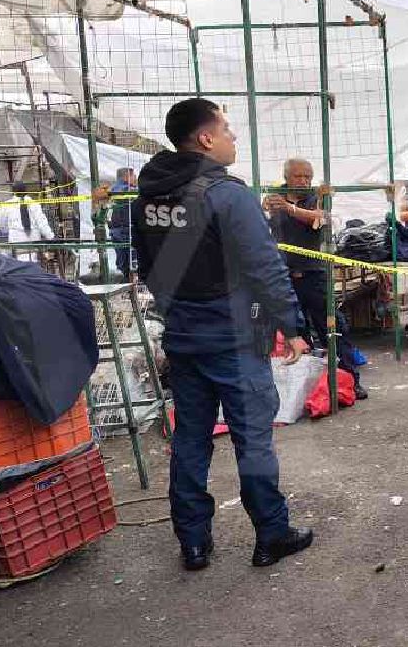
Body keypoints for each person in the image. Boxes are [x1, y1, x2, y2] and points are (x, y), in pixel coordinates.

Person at [131, 98, 314, 572]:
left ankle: (193, 543)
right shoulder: (227, 194)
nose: (233, 137)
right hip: (233, 341)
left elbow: (148, 270)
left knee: (190, 440)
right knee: (252, 441)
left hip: (183, 339)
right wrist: (293, 327)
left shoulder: (147, 198)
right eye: (227, 129)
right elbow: (266, 267)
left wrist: (182, 312)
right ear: (206, 138)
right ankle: (271, 535)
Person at [264, 158, 367, 398]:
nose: (304, 181)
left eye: (307, 176)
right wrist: (266, 207)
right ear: (286, 177)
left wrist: (289, 208)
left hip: (314, 275)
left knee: (333, 328)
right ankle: (304, 387)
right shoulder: (274, 196)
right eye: (298, 176)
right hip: (284, 276)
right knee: (297, 331)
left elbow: (319, 219)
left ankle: (351, 380)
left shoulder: (317, 196)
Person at [0, 182, 55, 262]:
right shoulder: (34, 204)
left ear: (13, 191)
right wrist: (51, 237)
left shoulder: (6, 205)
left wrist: (8, 230)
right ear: (26, 190)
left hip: (16, 239)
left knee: (18, 260)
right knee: (32, 260)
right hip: (33, 239)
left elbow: (1, 225)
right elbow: (42, 223)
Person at [108, 167, 139, 280]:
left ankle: (125, 285)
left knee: (123, 263)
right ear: (126, 176)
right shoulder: (122, 189)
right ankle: (129, 285)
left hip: (118, 231)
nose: (135, 178)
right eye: (133, 176)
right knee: (132, 263)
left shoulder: (114, 188)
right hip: (124, 232)